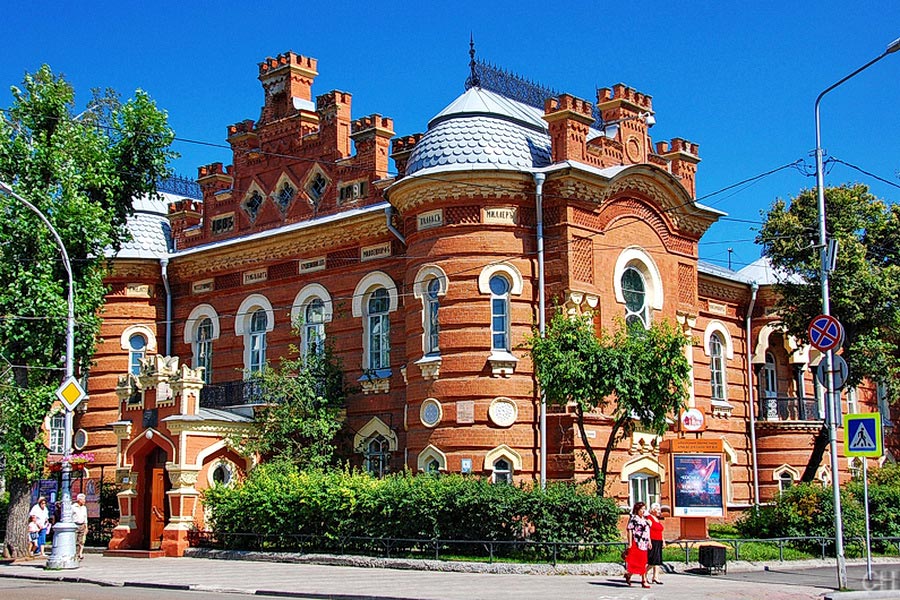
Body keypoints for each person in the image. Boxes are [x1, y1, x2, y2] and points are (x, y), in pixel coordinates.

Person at [624, 501, 652, 588]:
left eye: (644, 509)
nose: (643, 511)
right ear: (637, 510)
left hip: (644, 543)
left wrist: (649, 541)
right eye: (641, 509)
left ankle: (629, 575)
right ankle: (643, 580)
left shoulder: (645, 519)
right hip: (637, 542)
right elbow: (629, 530)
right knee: (637, 562)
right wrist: (630, 543)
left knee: (643, 562)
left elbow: (647, 531)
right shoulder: (634, 518)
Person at [646, 502, 665, 584]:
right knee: (653, 561)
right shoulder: (649, 518)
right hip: (652, 541)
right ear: (653, 510)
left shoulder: (657, 519)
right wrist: (649, 541)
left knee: (658, 561)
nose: (659, 511)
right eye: (657, 509)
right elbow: (647, 531)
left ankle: (655, 577)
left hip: (658, 541)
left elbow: (660, 531)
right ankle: (644, 573)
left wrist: (663, 541)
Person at [72, 493, 88, 560]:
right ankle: (74, 554)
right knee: (74, 540)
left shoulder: (84, 508)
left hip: (82, 525)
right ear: (79, 500)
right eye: (83, 499)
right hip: (75, 524)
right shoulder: (73, 507)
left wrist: (86, 526)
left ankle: (79, 554)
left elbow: (85, 517)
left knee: (81, 540)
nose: (84, 501)